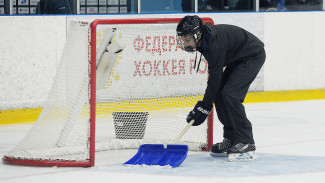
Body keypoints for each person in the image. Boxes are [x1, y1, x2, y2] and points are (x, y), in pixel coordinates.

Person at [176, 15, 265, 161]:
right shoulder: (205, 40)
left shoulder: (213, 45)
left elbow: (215, 78)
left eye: (187, 39)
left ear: (197, 35)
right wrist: (205, 105)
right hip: (238, 58)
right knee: (219, 95)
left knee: (231, 95)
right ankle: (231, 138)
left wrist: (204, 106)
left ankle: (246, 140)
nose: (185, 43)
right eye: (183, 39)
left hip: (252, 56)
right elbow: (215, 84)